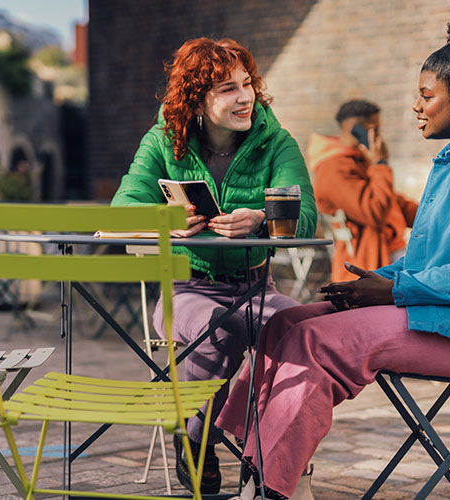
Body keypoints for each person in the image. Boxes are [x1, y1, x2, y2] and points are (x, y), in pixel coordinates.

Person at [216, 12, 450, 500]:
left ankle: (274, 487)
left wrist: (396, 289)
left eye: (425, 95)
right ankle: (270, 467)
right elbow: (430, 259)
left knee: (316, 341)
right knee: (283, 324)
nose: (415, 107)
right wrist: (373, 282)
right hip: (448, 314)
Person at [111, 37, 317, 494]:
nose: (244, 97)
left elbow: (306, 216)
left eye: (247, 84)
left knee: (300, 330)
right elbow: (122, 207)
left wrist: (264, 218)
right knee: (217, 327)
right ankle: (198, 442)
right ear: (196, 100)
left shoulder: (276, 141)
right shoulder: (165, 139)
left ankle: (272, 458)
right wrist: (162, 219)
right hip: (183, 287)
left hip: (256, 287)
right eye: (227, 88)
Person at [306, 100, 418, 281]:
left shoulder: (359, 159)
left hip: (393, 249)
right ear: (353, 127)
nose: (378, 137)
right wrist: (380, 164)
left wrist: (434, 217)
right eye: (374, 129)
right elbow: (374, 211)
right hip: (370, 259)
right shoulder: (333, 169)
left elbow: (392, 200)